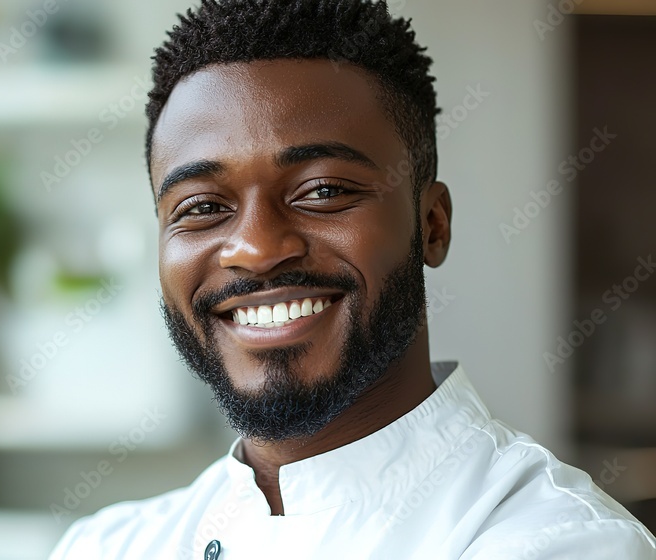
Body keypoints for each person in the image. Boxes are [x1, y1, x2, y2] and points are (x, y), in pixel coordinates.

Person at [48, 0, 656, 557]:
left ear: (433, 224)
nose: (256, 249)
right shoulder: (104, 546)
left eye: (323, 191)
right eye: (202, 207)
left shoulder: (556, 541)